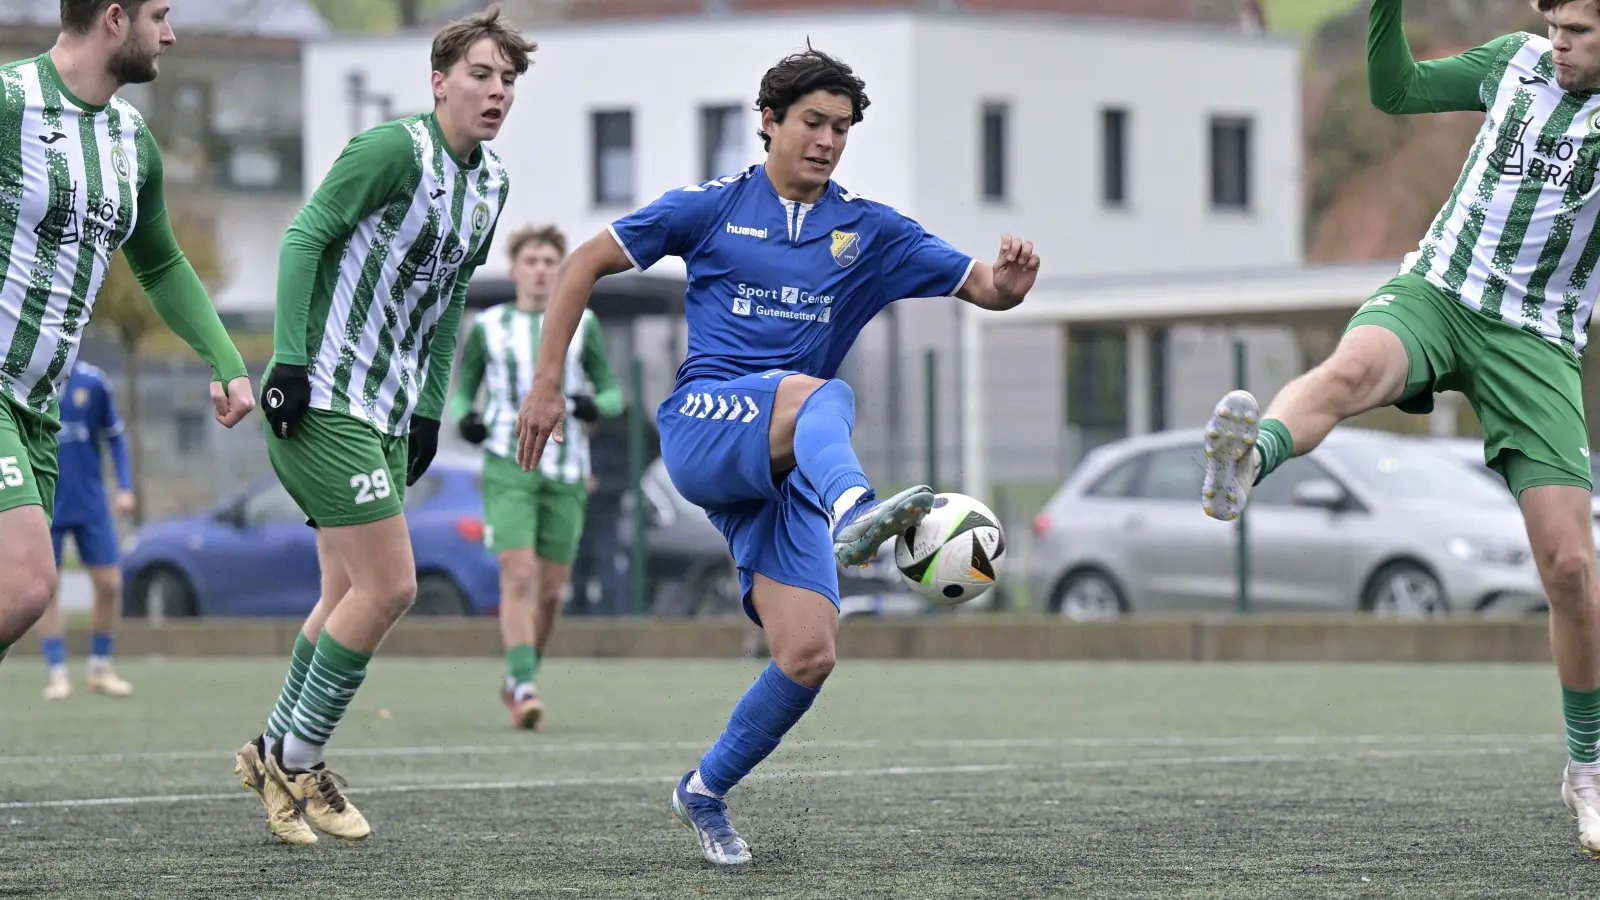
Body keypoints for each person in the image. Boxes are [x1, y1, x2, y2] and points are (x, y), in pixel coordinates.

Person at [514, 44, 1040, 865]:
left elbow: (982, 286)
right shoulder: (711, 208)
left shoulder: (869, 231)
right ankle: (857, 509)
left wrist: (1008, 283)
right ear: (768, 121)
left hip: (787, 462)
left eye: (842, 128)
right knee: (824, 395)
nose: (828, 140)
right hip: (705, 423)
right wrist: (547, 384)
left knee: (809, 654)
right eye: (813, 122)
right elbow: (583, 263)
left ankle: (705, 788)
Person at [1199, 0, 1600, 856]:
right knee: (1349, 372)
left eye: (1579, 33)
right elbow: (1397, 91)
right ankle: (1250, 459)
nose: (1559, 45)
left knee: (1570, 568)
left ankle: (1587, 768)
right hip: (1437, 294)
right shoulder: (1514, 63)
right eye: (1555, 27)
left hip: (1534, 340)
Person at [232, 6, 533, 846]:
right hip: (325, 395)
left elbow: (450, 301)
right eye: (480, 74)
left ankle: (268, 752)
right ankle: (299, 760)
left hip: (390, 409)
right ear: (439, 80)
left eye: (508, 79)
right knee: (392, 587)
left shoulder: (491, 184)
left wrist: (430, 407)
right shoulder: (392, 151)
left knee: (344, 594)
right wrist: (288, 361)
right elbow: (304, 236)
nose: (497, 91)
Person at [0, 0, 256, 667]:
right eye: (159, 16)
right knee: (28, 585)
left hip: (40, 410)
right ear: (115, 18)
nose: (170, 34)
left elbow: (162, 262)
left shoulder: (131, 137)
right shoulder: (9, 101)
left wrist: (226, 358)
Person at [451, 223, 622, 730]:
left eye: (550, 262)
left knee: (550, 592)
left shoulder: (584, 324)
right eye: (532, 261)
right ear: (515, 270)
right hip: (508, 461)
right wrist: (466, 418)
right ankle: (525, 686)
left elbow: (613, 393)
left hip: (566, 467)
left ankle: (520, 675)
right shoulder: (489, 326)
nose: (541, 270)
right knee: (518, 574)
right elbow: (464, 391)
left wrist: (593, 404)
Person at [35, 361, 137, 700]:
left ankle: (100, 668)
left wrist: (124, 487)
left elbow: (115, 436)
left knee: (110, 584)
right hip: (44, 502)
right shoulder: (29, 380)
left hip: (91, 503)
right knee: (46, 589)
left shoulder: (94, 382)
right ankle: (57, 672)